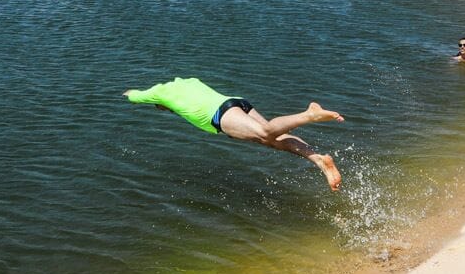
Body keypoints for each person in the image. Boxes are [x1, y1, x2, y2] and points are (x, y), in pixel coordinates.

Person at [124, 77, 344, 191]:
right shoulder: (186, 82)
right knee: (273, 140)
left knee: (266, 132)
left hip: (221, 116)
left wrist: (128, 93)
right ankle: (318, 159)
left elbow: (134, 96)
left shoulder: (159, 94)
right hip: (236, 102)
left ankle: (309, 114)